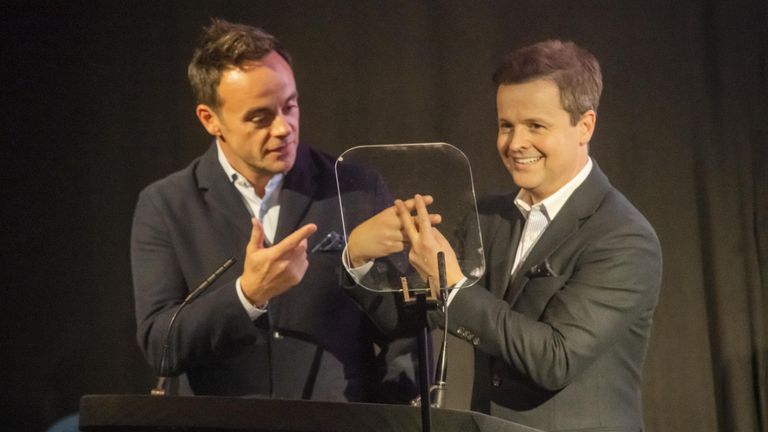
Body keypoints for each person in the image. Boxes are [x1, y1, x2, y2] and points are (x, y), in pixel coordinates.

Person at [346, 40, 662, 431]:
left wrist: (452, 286)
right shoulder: (489, 217)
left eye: (536, 126)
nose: (515, 144)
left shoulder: (624, 237)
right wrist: (359, 258)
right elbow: (410, 321)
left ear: (585, 126)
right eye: (505, 126)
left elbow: (554, 359)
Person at [131, 19, 416, 402]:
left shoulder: (355, 190)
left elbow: (408, 332)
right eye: (260, 117)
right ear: (209, 119)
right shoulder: (167, 204)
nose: (283, 128)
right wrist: (247, 294)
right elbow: (159, 343)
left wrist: (391, 414)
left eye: (290, 106)